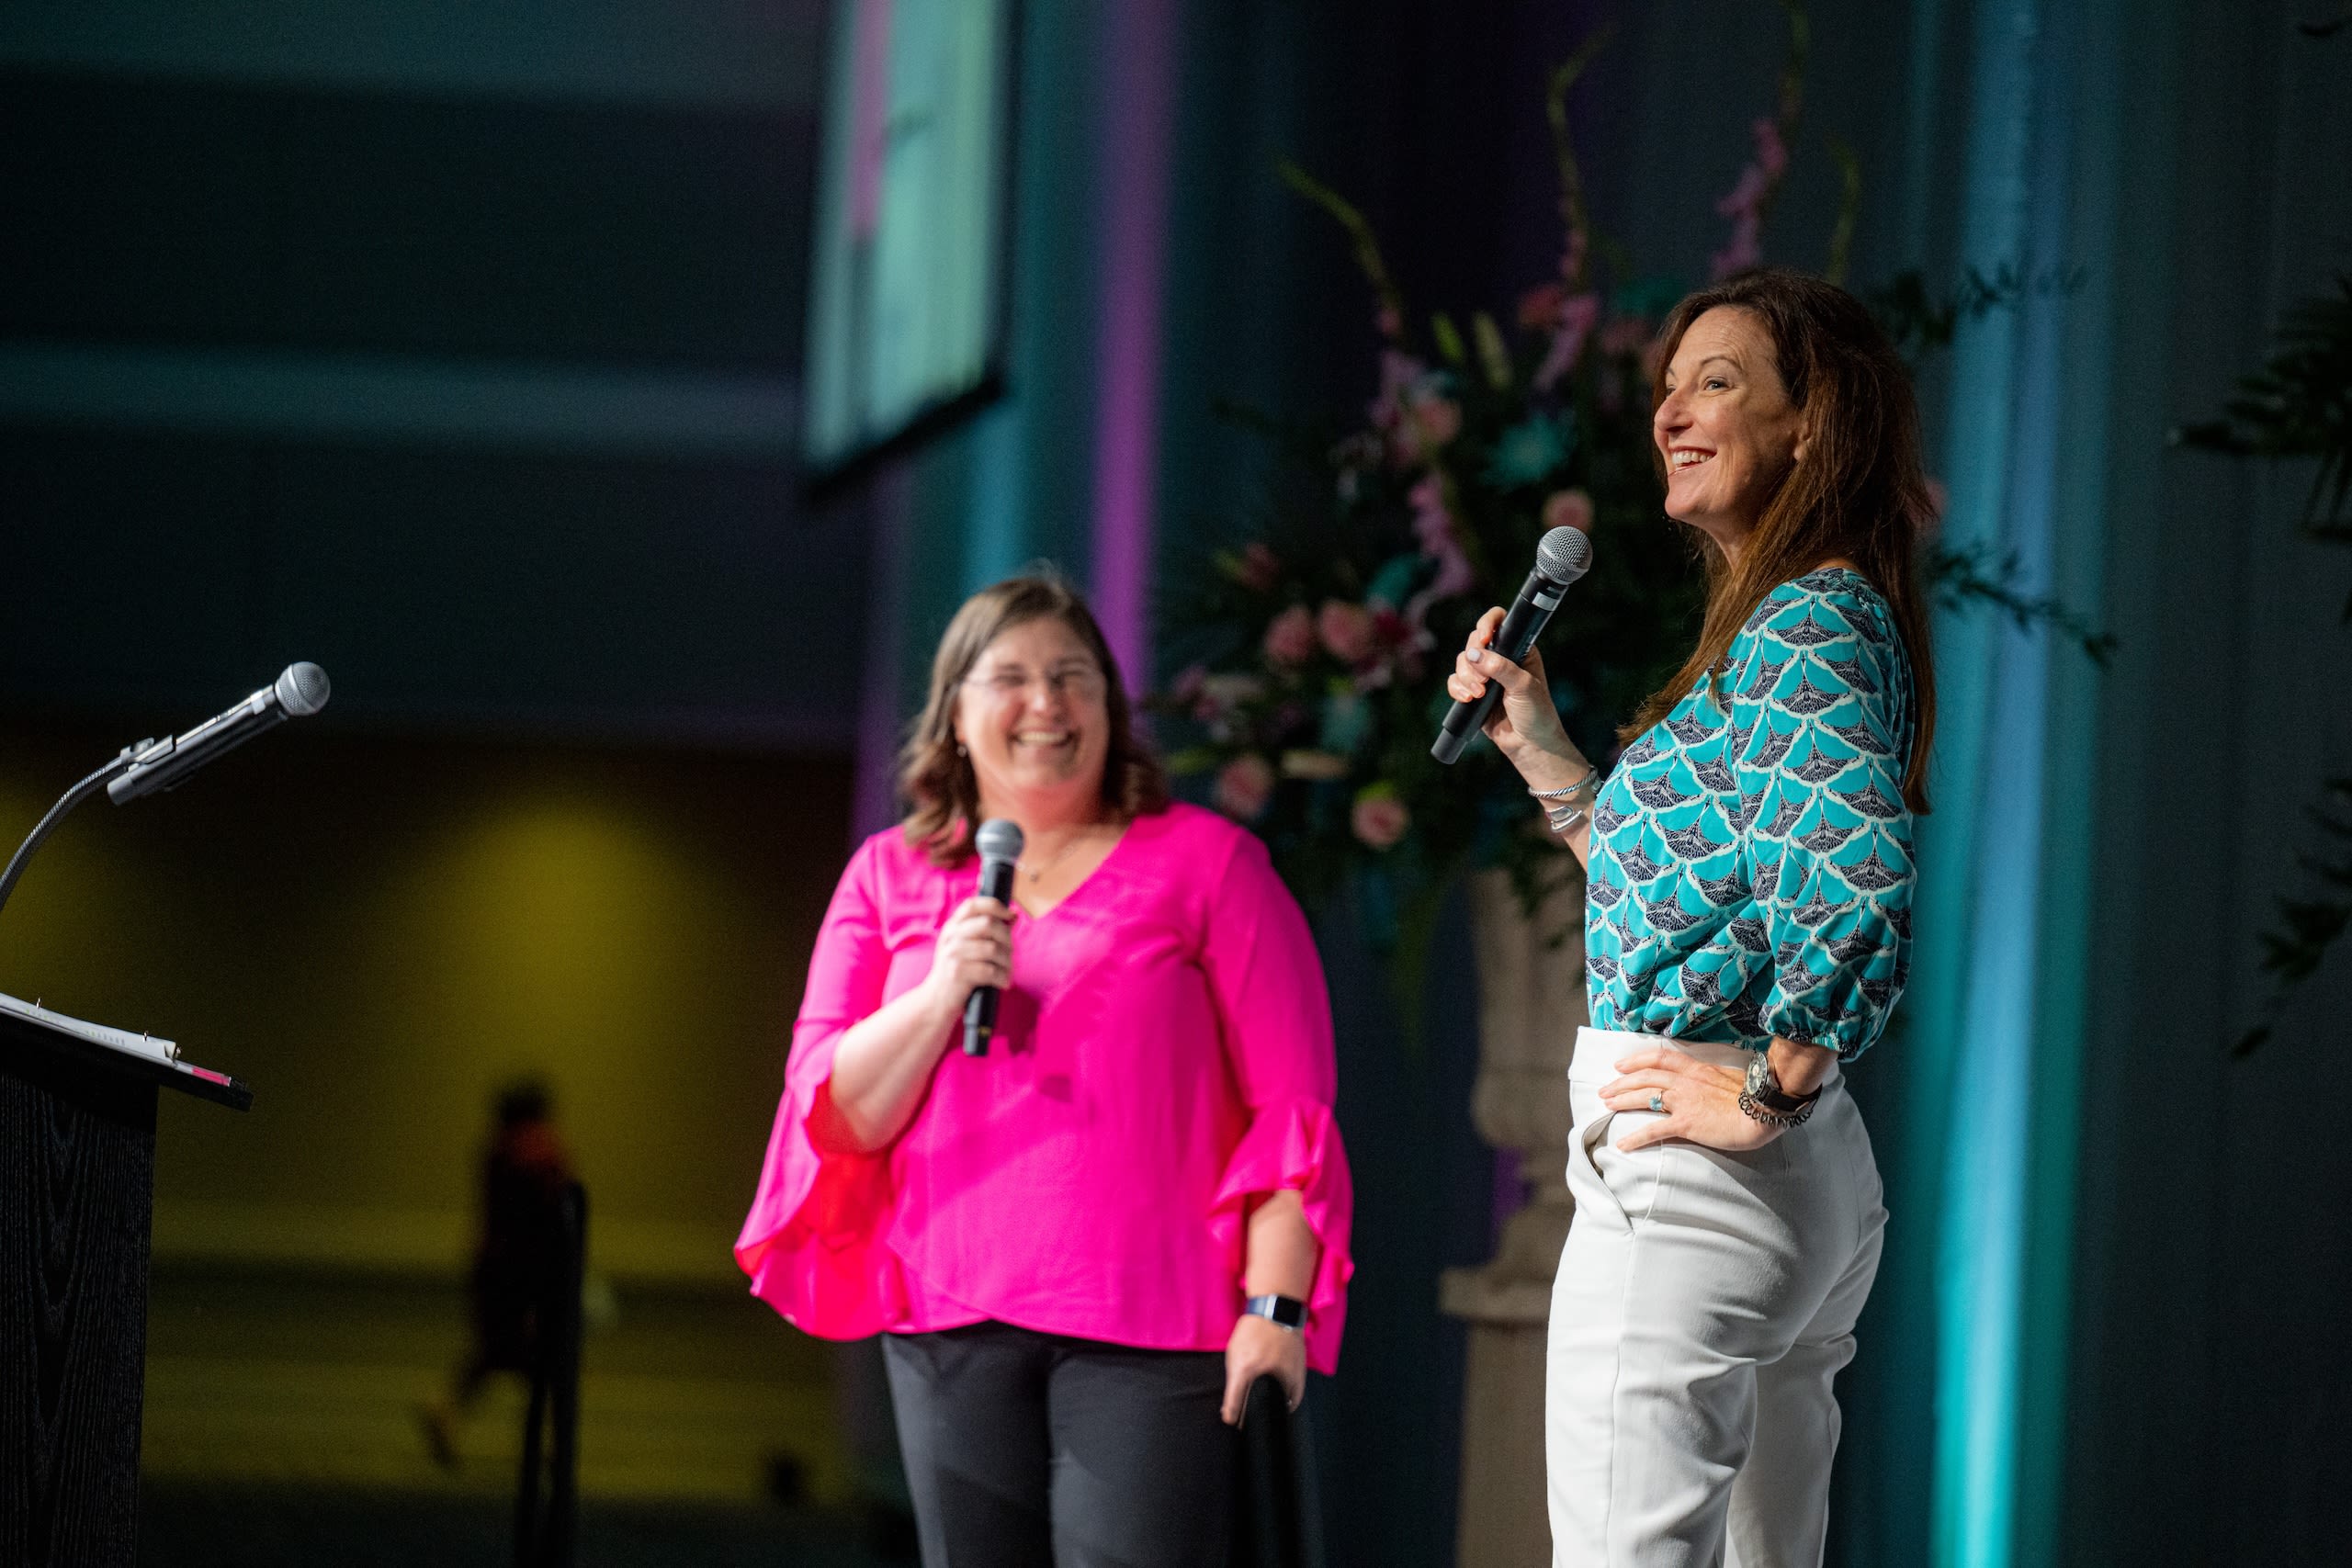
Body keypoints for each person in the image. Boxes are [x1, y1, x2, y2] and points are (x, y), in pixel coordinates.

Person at [1446, 267, 1937, 1564]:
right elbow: (1697, 897)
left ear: (1811, 425)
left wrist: (1767, 1090)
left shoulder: (1807, 625)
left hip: (1707, 1173)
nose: (1671, 410)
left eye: (1716, 381)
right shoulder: (1798, 622)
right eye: (1667, 387)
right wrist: (1547, 752)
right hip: (1778, 1178)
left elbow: (1853, 885)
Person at [736, 573, 1352, 1568]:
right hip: (948, 1311)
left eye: (1074, 678)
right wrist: (940, 995)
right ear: (954, 714)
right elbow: (835, 1113)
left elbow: (1293, 1113)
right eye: (1011, 678)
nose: (1046, 704)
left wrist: (1274, 1308)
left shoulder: (1210, 865)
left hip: (1154, 1324)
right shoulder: (886, 875)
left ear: (1110, 707)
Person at [420, 1077, 576, 1469]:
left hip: (494, 1267)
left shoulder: (496, 1152)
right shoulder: (536, 1155)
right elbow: (551, 1217)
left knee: (498, 1353)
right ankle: (542, 1444)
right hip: (526, 1271)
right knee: (538, 1359)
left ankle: (446, 1412)